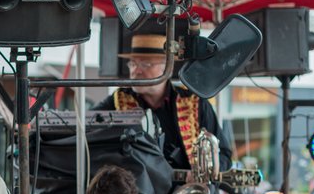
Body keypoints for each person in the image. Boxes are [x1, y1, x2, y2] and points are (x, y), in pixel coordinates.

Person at [93, 33, 232, 172]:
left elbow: (224, 156)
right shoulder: (118, 99)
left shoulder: (194, 102)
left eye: (146, 64)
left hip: (188, 183)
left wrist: (205, 170)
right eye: (133, 64)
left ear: (168, 69)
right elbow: (87, 127)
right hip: (137, 184)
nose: (136, 71)